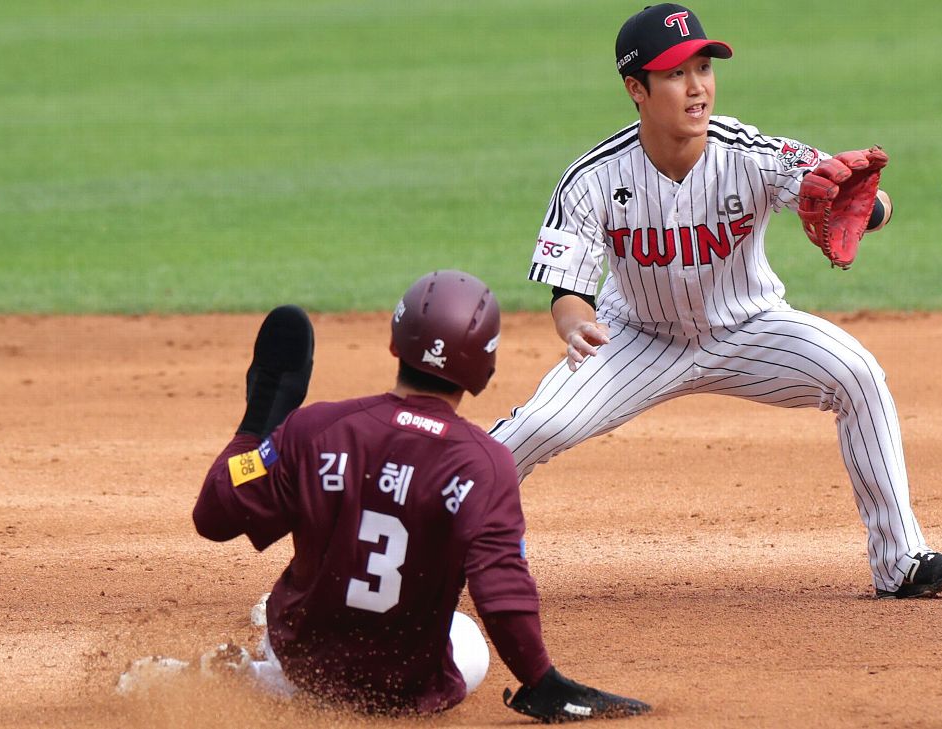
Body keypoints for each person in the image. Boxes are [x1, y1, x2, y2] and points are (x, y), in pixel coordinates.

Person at [489, 4, 942, 599]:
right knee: (537, 425)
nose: (697, 87)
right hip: (634, 339)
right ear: (635, 88)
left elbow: (850, 190)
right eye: (675, 74)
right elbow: (567, 292)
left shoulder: (749, 151)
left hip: (750, 329)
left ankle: (900, 563)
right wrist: (577, 327)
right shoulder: (591, 178)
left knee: (859, 375)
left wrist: (870, 212)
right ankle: (419, 540)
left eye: (703, 67)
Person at [193, 270, 650, 721]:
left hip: (303, 657)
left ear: (395, 344)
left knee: (299, 606)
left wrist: (257, 433)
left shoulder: (316, 429)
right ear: (484, 372)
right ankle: (279, 680)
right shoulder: (485, 464)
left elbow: (213, 517)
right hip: (404, 689)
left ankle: (267, 676)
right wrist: (542, 681)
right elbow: (501, 593)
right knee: (468, 640)